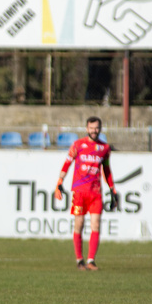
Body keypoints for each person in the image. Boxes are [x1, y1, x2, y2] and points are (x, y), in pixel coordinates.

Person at [54, 116, 119, 271]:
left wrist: (112, 189)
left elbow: (107, 170)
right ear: (86, 128)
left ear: (100, 128)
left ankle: (91, 260)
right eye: (91, 128)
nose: (94, 131)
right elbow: (67, 163)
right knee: (79, 224)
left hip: (95, 194)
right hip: (79, 194)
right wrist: (59, 182)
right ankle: (79, 260)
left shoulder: (104, 149)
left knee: (96, 224)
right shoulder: (77, 145)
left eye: (97, 128)